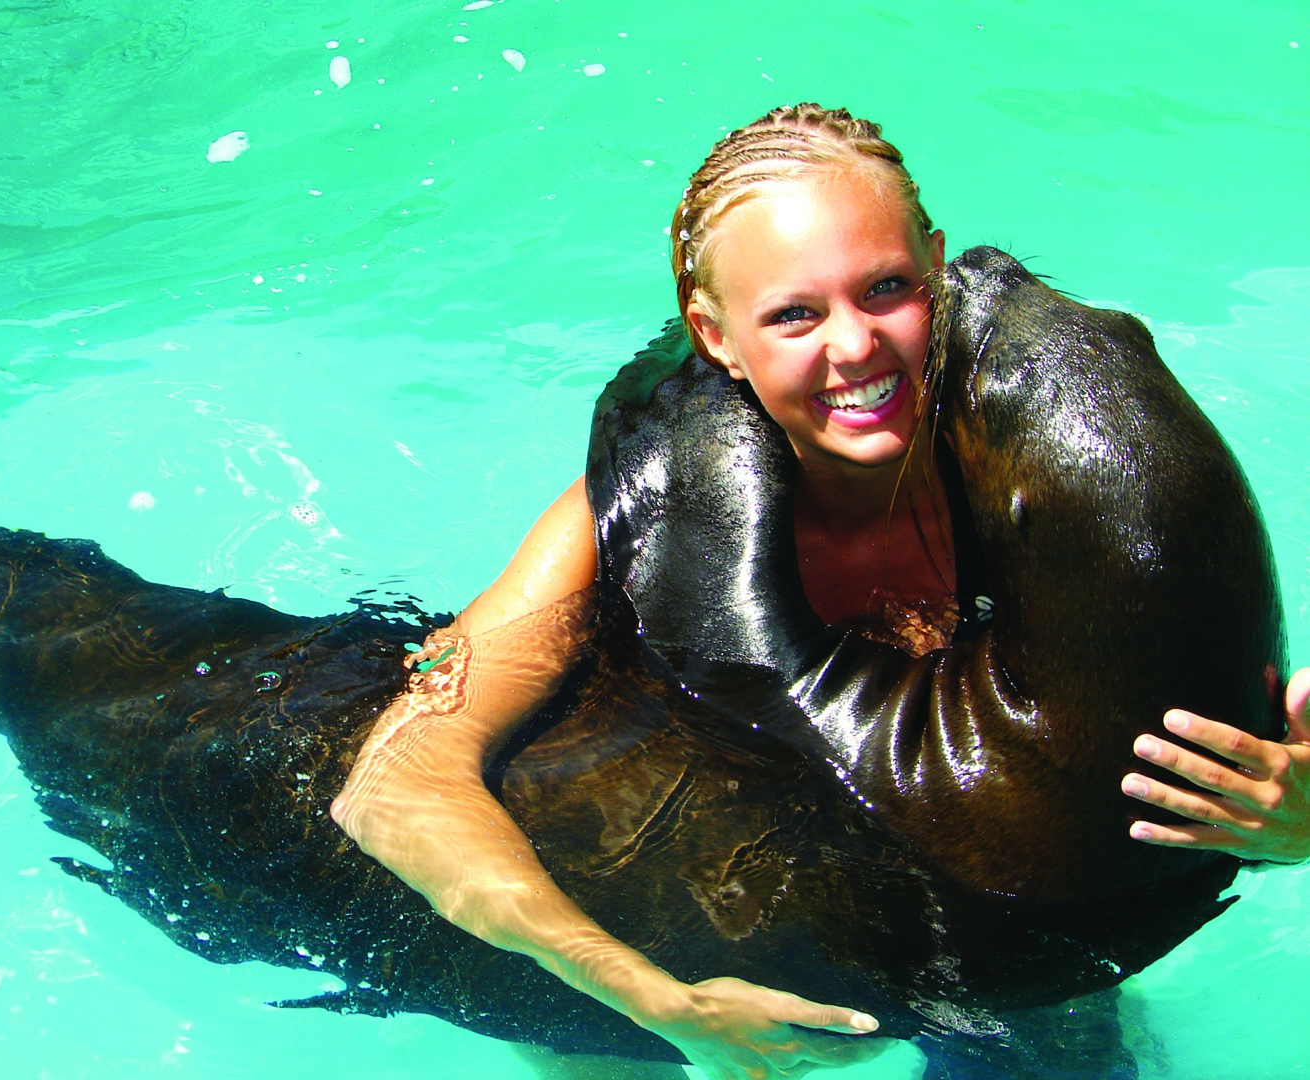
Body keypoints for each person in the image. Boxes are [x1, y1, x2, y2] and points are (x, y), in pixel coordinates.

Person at [329, 104, 1310, 1079]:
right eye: (795, 314)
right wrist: (659, 1000)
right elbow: (394, 783)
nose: (855, 347)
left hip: (990, 920)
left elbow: (1179, 739)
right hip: (677, 921)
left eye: (886, 289)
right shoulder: (628, 520)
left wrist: (1299, 818)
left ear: (934, 263)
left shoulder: (1033, 484)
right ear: (713, 334)